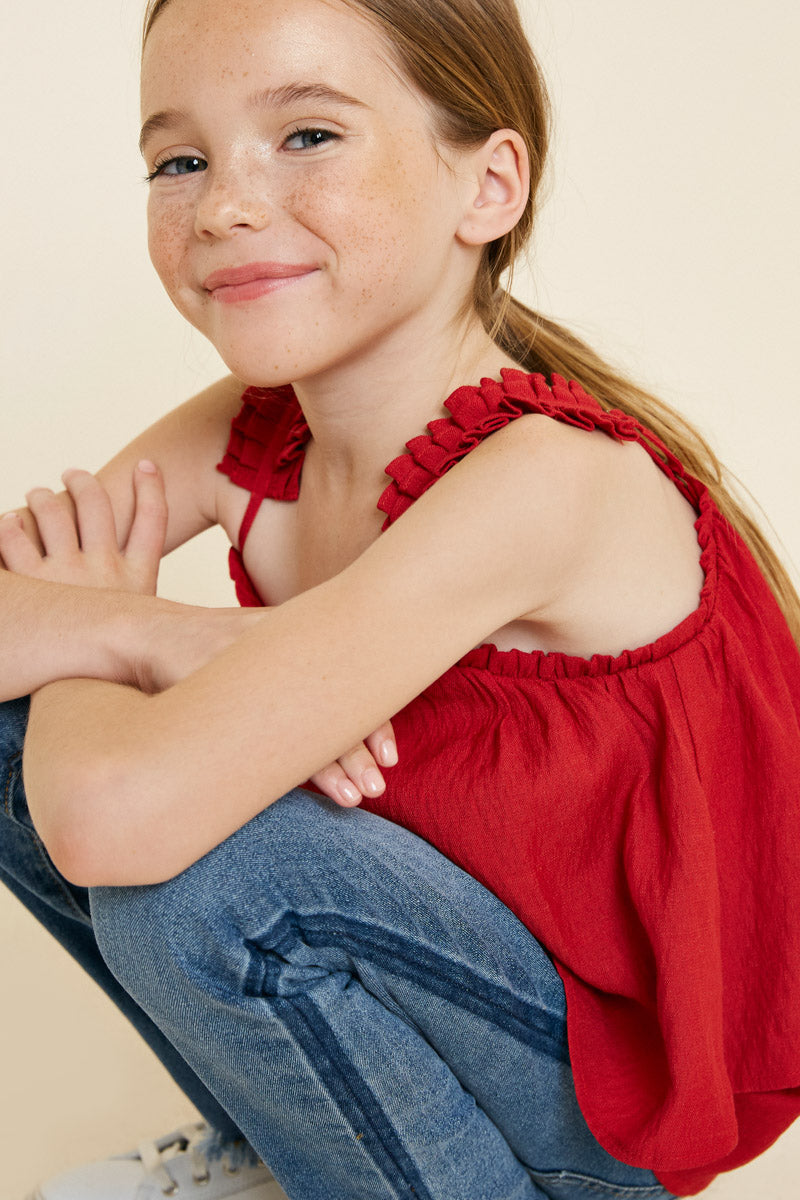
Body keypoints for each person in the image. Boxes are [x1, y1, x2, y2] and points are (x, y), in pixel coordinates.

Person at [2, 0, 799, 1196]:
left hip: (597, 1102)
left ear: (486, 187)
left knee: (215, 880)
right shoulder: (252, 436)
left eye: (308, 136)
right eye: (180, 160)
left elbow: (111, 817)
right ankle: (279, 1152)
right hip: (436, 1004)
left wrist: (83, 648)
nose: (225, 203)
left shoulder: (544, 479)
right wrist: (164, 632)